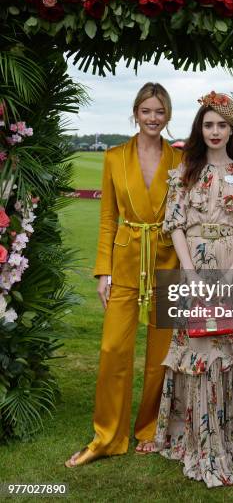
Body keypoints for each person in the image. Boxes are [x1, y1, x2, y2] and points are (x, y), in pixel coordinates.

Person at [65, 82, 183, 467]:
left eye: (159, 111)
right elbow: (106, 219)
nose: (153, 118)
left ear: (167, 116)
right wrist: (103, 272)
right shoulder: (115, 157)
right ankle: (107, 437)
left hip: (167, 262)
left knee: (160, 354)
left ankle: (149, 428)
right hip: (125, 262)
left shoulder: (180, 161)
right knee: (114, 349)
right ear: (135, 113)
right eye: (146, 111)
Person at [155, 92, 233, 488]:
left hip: (231, 264)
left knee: (229, 348)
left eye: (222, 124)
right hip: (193, 269)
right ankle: (200, 441)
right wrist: (190, 272)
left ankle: (230, 435)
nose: (215, 131)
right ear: (199, 129)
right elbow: (176, 225)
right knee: (200, 348)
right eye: (208, 124)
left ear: (232, 129)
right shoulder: (184, 172)